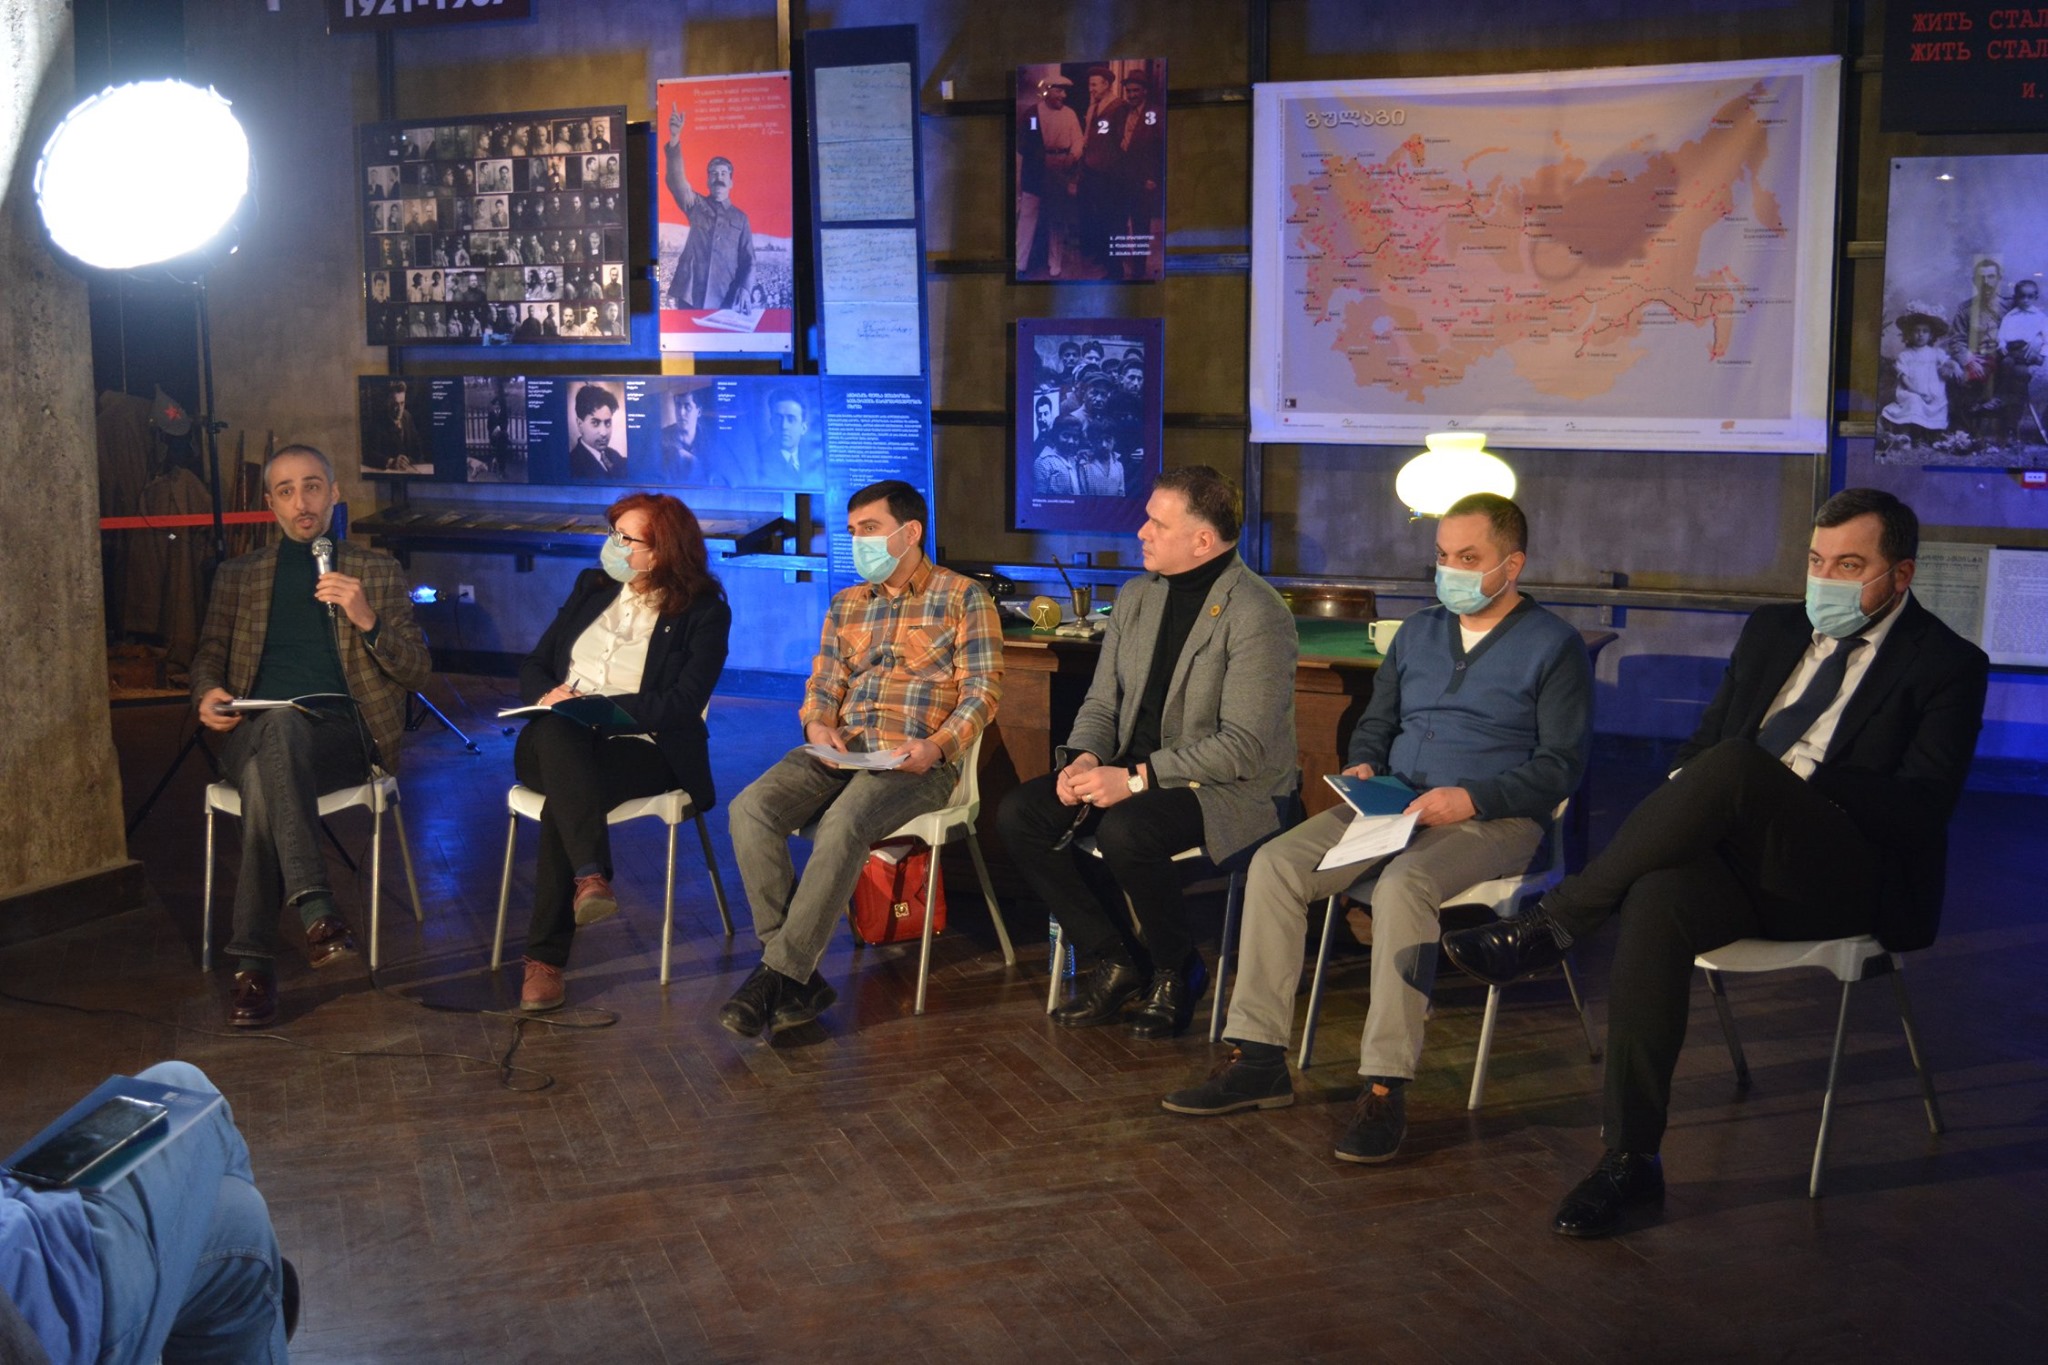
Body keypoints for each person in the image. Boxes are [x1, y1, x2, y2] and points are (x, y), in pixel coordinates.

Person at [1439, 488, 1989, 1238]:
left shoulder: (1948, 664)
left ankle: (1557, 922)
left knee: (1737, 766)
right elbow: (1699, 750)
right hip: (1736, 854)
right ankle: (1630, 1157)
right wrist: (1703, 798)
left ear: (1901, 574)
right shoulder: (1773, 630)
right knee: (1659, 895)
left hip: (1844, 872)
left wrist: (1788, 782)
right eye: (1816, 561)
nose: (1824, 580)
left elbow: (1922, 809)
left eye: (1849, 566)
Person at [1159, 494, 1591, 1154]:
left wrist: (1472, 798)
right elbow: (1377, 722)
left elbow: (1561, 767)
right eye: (1443, 556)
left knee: (1403, 886)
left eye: (1468, 557)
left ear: (1512, 565)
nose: (1451, 570)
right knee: (1275, 864)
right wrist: (1363, 763)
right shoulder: (1418, 632)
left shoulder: (1555, 646)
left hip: (1493, 819)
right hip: (1392, 804)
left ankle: (1386, 1086)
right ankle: (1258, 1058)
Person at [997, 467, 1298, 1039]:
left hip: (1227, 788)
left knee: (1127, 830)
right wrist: (1085, 758)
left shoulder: (1258, 613)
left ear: (1202, 540)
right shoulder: (1138, 596)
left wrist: (1135, 779)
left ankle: (1177, 969)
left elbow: (1241, 748)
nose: (1142, 531)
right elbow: (1102, 703)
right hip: (1130, 773)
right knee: (1021, 814)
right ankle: (1117, 960)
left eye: (1158, 523)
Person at [719, 481, 1002, 1036]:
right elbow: (823, 684)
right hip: (843, 748)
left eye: (869, 529)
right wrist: (817, 724)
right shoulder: (846, 604)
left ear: (910, 532)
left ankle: (778, 974)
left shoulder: (963, 597)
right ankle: (790, 973)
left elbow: (982, 692)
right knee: (749, 809)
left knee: (844, 822)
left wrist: (937, 746)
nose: (857, 542)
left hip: (916, 758)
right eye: (852, 532)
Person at [190, 445, 431, 1028]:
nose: (302, 502)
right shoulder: (238, 575)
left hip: (343, 736)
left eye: (313, 486)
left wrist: (366, 618)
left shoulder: (375, 570)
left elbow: (417, 671)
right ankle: (316, 908)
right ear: (270, 503)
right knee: (277, 725)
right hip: (253, 727)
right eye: (287, 491)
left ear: (334, 492)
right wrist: (206, 693)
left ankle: (255, 966)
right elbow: (209, 656)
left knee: (264, 781)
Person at [506, 494, 731, 1011]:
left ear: (663, 550)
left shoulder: (704, 612)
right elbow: (534, 665)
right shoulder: (592, 586)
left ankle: (544, 961)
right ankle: (590, 874)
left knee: (568, 799)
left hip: (641, 747)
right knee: (561, 737)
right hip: (552, 738)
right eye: (613, 533)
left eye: (626, 538)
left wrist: (599, 710)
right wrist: (551, 697)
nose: (614, 546)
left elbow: (681, 703)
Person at [1, 1062, 295, 1364]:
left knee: (241, 1224)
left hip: (22, 1239)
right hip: (47, 1309)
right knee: (181, 1086)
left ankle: (167, 1308)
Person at [662, 107, 754, 311]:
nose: (718, 177)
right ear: (707, 181)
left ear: (731, 182)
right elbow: (676, 181)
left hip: (725, 295)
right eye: (713, 173)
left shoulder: (741, 219)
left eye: (723, 174)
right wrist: (675, 139)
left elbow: (749, 260)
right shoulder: (695, 204)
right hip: (690, 294)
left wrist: (746, 289)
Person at [1016, 73, 1083, 277]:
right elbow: (1024, 143)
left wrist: (1073, 155)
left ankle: (1055, 263)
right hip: (1036, 171)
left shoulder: (1070, 114)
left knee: (1056, 218)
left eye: (1064, 92)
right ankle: (1021, 262)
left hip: (1060, 170)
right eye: (1058, 91)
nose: (1063, 95)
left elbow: (1078, 140)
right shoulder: (1032, 114)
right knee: (1028, 216)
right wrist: (1041, 158)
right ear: (1047, 91)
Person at [1879, 303, 1962, 446]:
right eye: (1916, 331)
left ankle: (1931, 435)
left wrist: (1956, 366)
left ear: (1931, 336)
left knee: (1939, 401)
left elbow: (1948, 362)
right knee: (1914, 401)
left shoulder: (1936, 353)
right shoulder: (1905, 355)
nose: (1920, 334)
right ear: (1909, 334)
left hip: (1933, 392)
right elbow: (1904, 378)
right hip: (1911, 390)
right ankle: (1908, 435)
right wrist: (1917, 392)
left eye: (1925, 331)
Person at [1946, 255, 2008, 438]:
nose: (1986, 282)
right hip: (1976, 359)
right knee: (1956, 375)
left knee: (2013, 370)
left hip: (2003, 360)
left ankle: (2006, 428)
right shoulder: (1965, 309)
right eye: (1982, 278)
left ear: (1999, 279)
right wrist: (1968, 360)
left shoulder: (2009, 307)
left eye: (1991, 277)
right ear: (1974, 281)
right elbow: (1956, 340)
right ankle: (1965, 429)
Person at [1994, 277, 2048, 443]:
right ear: (2015, 297)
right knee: (2011, 367)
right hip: (2012, 352)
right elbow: (2002, 335)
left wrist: (2043, 355)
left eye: (2030, 296)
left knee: (2009, 363)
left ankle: (2001, 397)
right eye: (2022, 296)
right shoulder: (2010, 316)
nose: (2025, 300)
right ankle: (2011, 424)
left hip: (2029, 354)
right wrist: (2002, 345)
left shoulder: (2040, 317)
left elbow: (2047, 339)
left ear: (2035, 297)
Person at [756, 389, 821, 488]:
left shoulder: (814, 458)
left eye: (791, 419)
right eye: (778, 419)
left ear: (803, 428)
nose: (784, 426)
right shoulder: (758, 458)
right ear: (771, 423)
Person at [567, 384, 626, 481]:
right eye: (595, 423)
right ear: (579, 424)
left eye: (607, 423)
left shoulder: (614, 455)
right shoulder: (573, 465)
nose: (604, 433)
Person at [365, 380, 428, 473]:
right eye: (395, 404)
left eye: (402, 403)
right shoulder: (377, 421)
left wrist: (407, 460)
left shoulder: (407, 417)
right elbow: (368, 454)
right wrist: (391, 462)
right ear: (387, 402)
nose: (400, 409)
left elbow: (418, 450)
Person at [1032, 416, 1083, 496]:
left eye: (1075, 437)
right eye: (1066, 436)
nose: (1071, 441)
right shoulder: (1043, 463)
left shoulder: (1074, 461)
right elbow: (1039, 497)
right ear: (1055, 435)